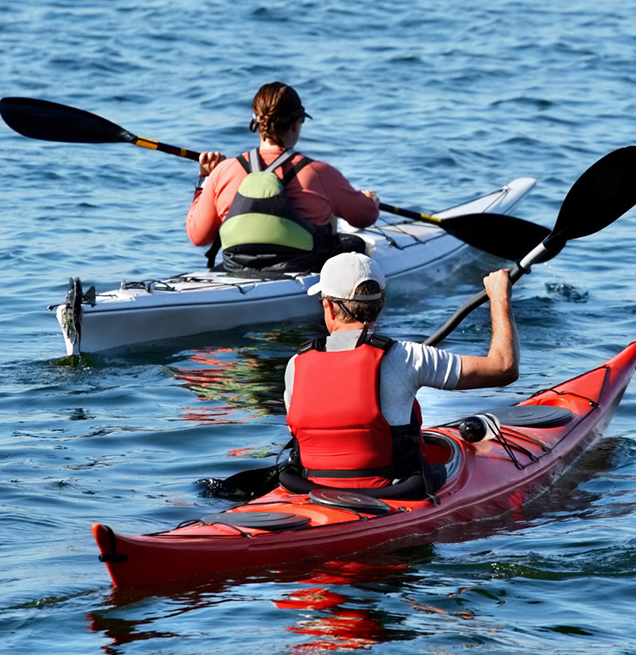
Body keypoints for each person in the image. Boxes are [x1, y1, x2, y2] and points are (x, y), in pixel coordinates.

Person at [280, 252, 519, 500]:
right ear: (381, 305)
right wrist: (500, 298)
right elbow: (503, 367)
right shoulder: (407, 357)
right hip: (390, 494)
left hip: (309, 492)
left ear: (327, 306)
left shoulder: (296, 364)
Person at [186, 82, 380, 272]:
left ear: (257, 123)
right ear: (296, 124)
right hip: (302, 268)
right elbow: (364, 217)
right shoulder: (318, 173)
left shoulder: (223, 171)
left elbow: (198, 237)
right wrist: (370, 201)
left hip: (237, 270)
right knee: (351, 240)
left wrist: (205, 179)